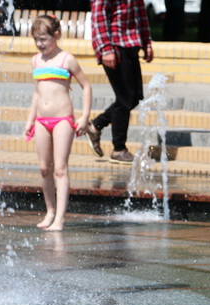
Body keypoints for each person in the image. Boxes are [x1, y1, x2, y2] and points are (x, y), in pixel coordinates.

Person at [23, 15, 93, 231]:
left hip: (63, 119)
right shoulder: (36, 60)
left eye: (43, 39)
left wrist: (84, 116)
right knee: (45, 168)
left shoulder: (67, 60)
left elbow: (87, 87)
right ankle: (50, 211)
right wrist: (30, 119)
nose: (40, 44)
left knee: (60, 168)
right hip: (42, 120)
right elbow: (38, 92)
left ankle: (60, 218)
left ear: (57, 36)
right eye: (36, 39)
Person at [87, 0, 154, 165]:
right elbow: (99, 18)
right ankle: (118, 149)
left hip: (131, 44)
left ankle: (96, 125)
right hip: (114, 47)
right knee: (124, 98)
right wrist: (106, 48)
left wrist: (147, 42)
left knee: (135, 97)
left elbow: (140, 14)